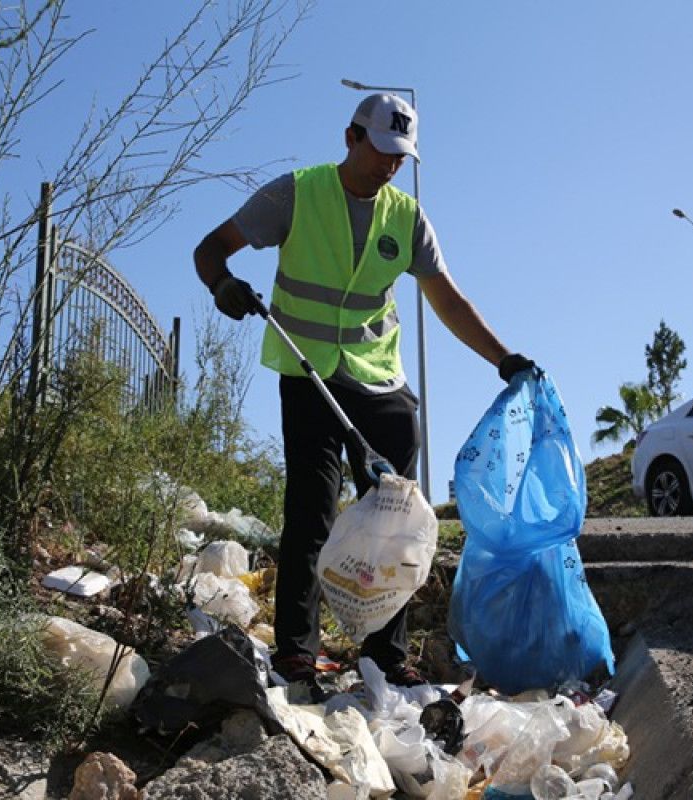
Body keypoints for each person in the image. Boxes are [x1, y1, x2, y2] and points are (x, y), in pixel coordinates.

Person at [193, 93, 535, 699]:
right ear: (351, 137)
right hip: (311, 378)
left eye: (401, 157)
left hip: (380, 382)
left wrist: (502, 357)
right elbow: (209, 248)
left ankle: (386, 656)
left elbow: (448, 299)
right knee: (311, 515)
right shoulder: (296, 194)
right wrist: (223, 285)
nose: (389, 166)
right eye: (381, 151)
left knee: (395, 519)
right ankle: (297, 653)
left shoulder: (406, 217)